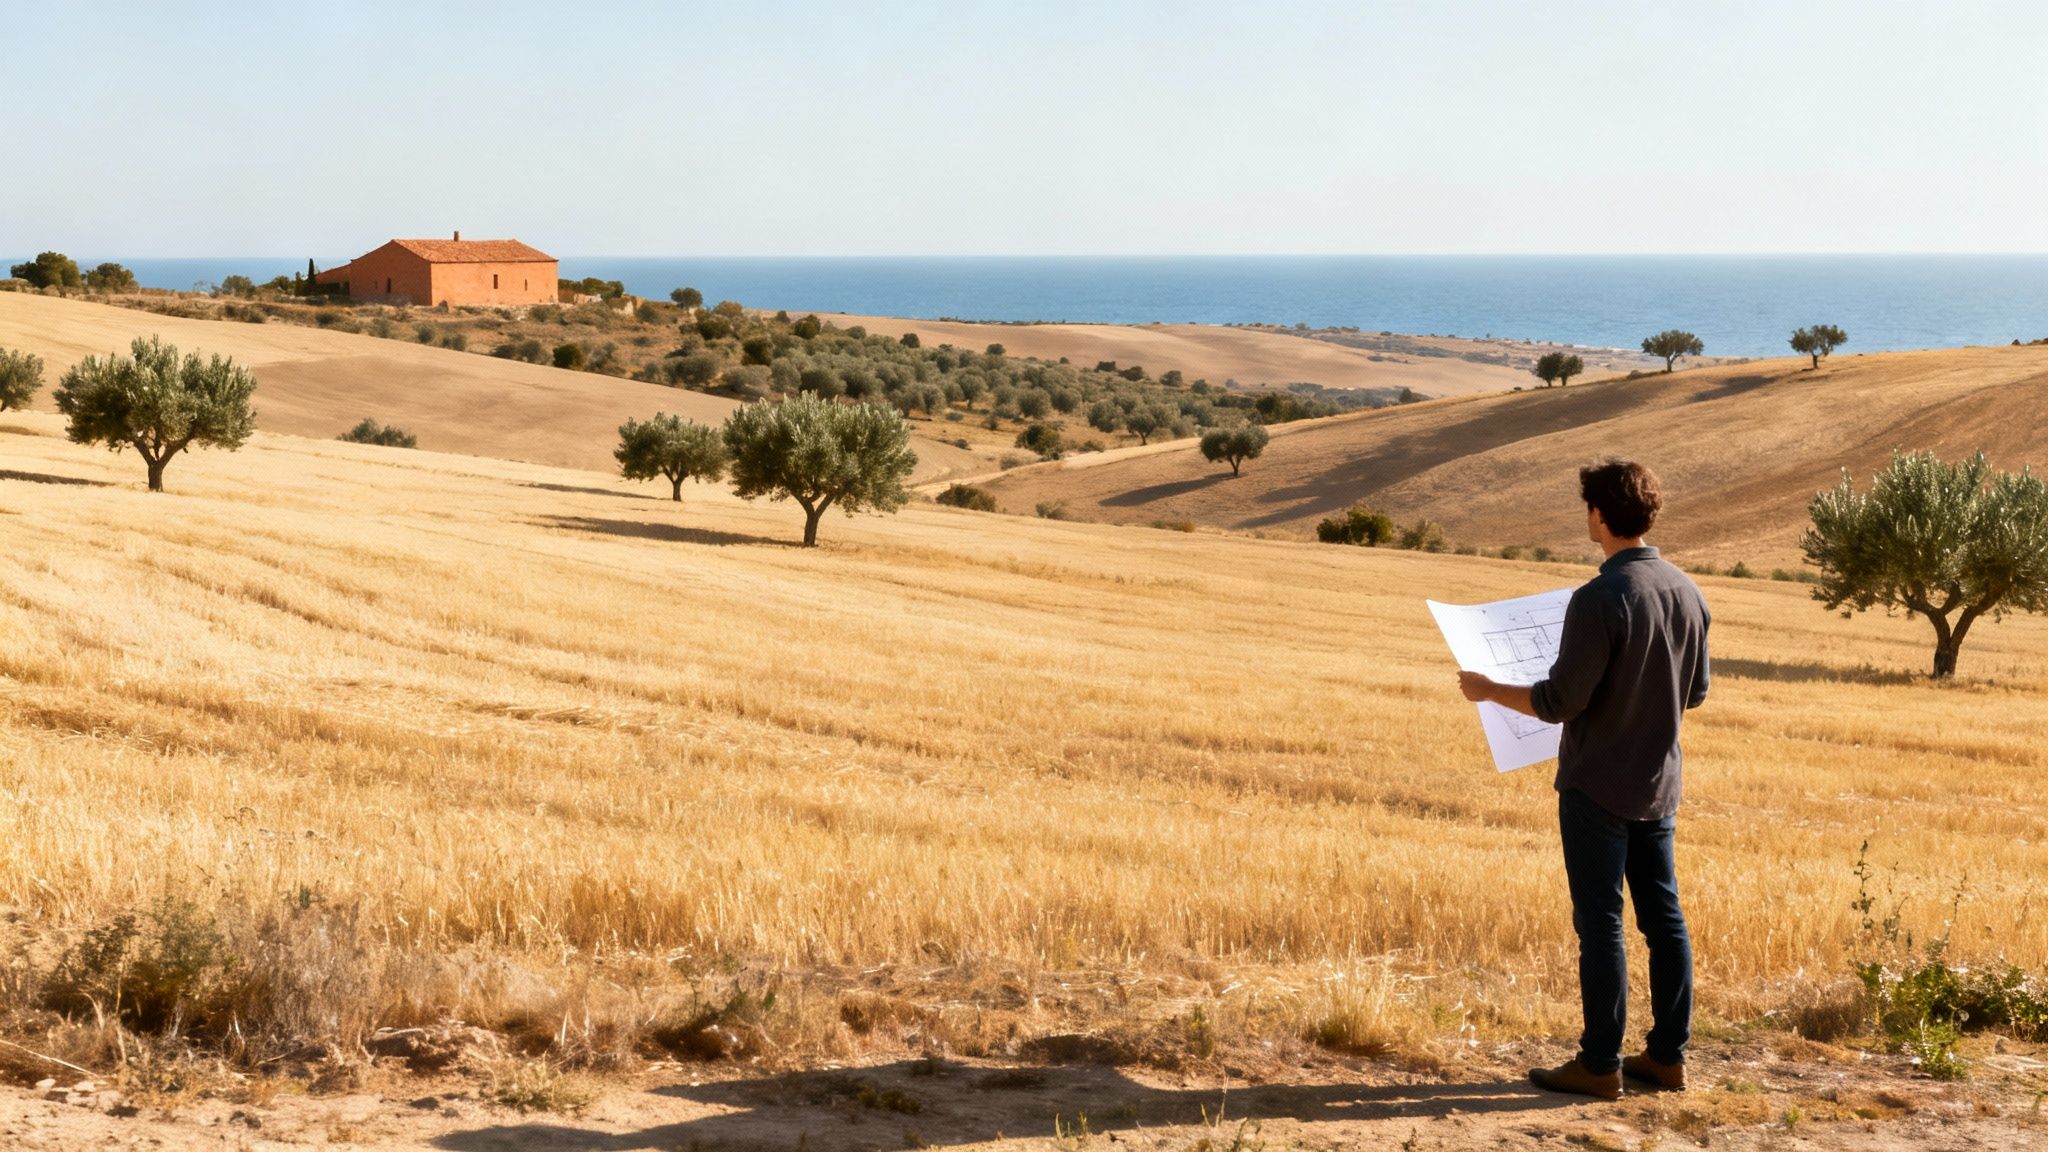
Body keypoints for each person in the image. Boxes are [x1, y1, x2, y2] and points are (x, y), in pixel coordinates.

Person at [1457, 460, 1710, 1099]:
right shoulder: (1687, 590)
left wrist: (1489, 691)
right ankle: (1667, 1058)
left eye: (1586, 508)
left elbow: (1559, 702)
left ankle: (1599, 1065)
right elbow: (1697, 692)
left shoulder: (1599, 598)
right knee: (1665, 919)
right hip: (1660, 783)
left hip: (1597, 784)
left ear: (1598, 515)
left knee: (1601, 921)